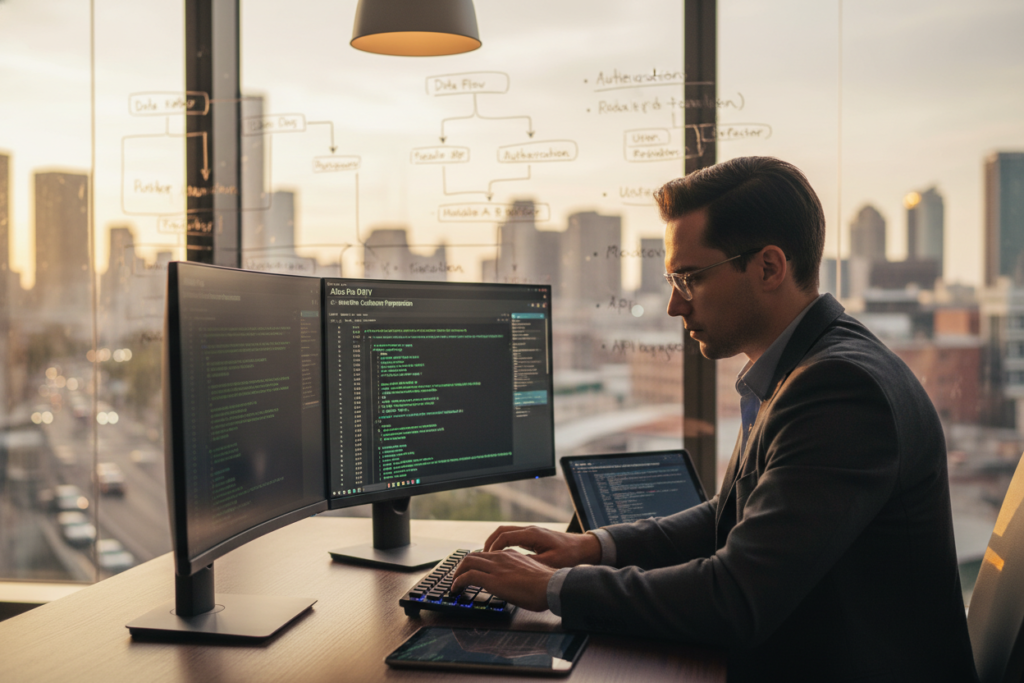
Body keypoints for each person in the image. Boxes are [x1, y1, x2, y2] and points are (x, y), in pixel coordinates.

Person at [453, 157, 978, 681]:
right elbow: (730, 515)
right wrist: (590, 547)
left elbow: (735, 598)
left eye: (689, 278)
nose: (674, 307)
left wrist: (549, 589)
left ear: (769, 267)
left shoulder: (840, 390)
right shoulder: (804, 363)